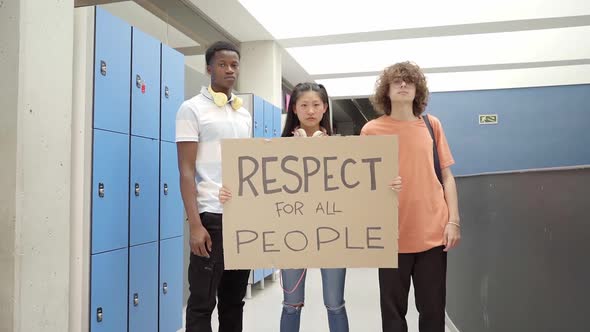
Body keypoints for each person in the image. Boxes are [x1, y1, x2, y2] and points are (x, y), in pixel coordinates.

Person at [219, 82, 402, 332]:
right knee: (291, 304)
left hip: (333, 235)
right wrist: (232, 193)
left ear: (325, 108)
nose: (311, 110)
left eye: (316, 105)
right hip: (291, 236)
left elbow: (362, 190)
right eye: (304, 105)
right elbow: (258, 193)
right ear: (294, 108)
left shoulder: (344, 151)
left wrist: (387, 185)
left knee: (335, 303)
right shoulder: (275, 151)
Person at [361, 61, 461, 332]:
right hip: (391, 236)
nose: (403, 84)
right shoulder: (371, 130)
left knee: (432, 311)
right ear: (387, 90)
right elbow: (362, 186)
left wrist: (454, 221)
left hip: (433, 233)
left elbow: (448, 177)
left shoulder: (432, 125)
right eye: (397, 81)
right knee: (393, 315)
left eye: (409, 81)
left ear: (418, 90)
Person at [176, 41, 252, 332]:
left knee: (234, 301)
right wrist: (195, 225)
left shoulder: (243, 114)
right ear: (209, 68)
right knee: (202, 302)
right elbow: (185, 171)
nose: (230, 70)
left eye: (234, 65)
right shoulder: (191, 109)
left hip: (242, 216)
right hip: (211, 216)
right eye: (222, 64)